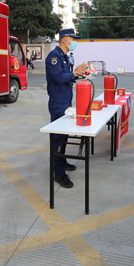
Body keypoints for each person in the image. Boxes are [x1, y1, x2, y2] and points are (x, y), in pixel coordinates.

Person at [46, 29, 86, 188]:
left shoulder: (63, 56)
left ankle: (61, 161)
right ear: (64, 40)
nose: (75, 42)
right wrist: (74, 73)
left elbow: (66, 77)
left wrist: (78, 73)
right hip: (58, 102)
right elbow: (58, 78)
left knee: (63, 136)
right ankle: (59, 173)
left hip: (65, 101)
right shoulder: (54, 56)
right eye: (73, 39)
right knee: (58, 137)